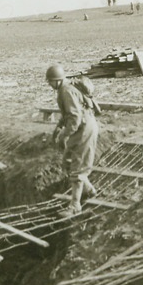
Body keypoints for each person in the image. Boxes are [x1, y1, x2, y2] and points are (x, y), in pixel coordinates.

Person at [45, 64, 99, 217]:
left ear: (57, 80)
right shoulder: (65, 89)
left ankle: (75, 205)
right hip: (82, 127)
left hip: (84, 128)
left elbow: (75, 117)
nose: (49, 84)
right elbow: (69, 114)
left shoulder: (66, 91)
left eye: (50, 81)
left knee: (77, 165)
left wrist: (64, 135)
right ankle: (89, 191)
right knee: (68, 162)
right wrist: (59, 127)